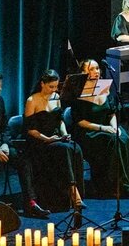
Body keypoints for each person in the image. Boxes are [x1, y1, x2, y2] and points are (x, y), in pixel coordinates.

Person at [0, 69, 48, 218]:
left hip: (0, 145)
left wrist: (5, 144)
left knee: (23, 161)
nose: (0, 89)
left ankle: (31, 204)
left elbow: (5, 127)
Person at [23, 69, 85, 211]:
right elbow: (30, 130)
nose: (54, 90)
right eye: (51, 86)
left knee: (75, 147)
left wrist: (65, 134)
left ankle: (76, 191)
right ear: (42, 84)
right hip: (40, 141)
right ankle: (74, 194)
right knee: (63, 150)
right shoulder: (32, 100)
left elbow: (60, 121)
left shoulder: (56, 97)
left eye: (56, 86)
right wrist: (48, 139)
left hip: (55, 137)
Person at [70, 60, 129, 198]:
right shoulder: (78, 92)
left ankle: (125, 183)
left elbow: (111, 113)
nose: (96, 72)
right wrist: (103, 128)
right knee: (112, 141)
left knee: (123, 137)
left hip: (106, 127)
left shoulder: (104, 87)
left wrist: (114, 127)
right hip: (89, 131)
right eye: (92, 69)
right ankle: (111, 186)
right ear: (83, 73)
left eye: (97, 68)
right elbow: (80, 121)